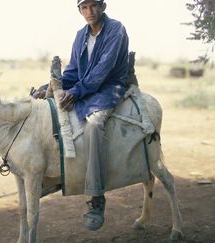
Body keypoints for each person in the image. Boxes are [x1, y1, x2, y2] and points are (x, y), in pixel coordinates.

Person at [33, 0, 129, 231]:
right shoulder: (80, 35)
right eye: (84, 7)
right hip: (86, 88)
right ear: (79, 10)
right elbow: (73, 71)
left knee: (94, 125)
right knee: (53, 114)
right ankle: (58, 177)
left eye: (94, 6)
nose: (89, 12)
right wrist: (47, 87)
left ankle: (97, 197)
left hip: (109, 88)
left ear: (103, 7)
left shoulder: (116, 29)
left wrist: (74, 93)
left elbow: (102, 71)